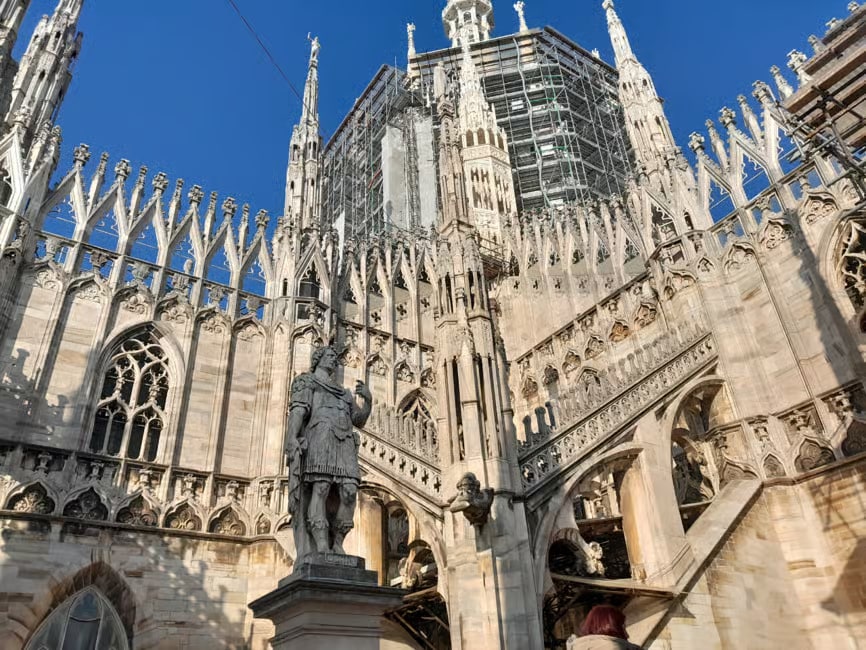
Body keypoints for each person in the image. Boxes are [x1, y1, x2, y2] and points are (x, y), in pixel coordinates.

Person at [566, 605, 641, 650]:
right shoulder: (612, 647)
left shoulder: (578, 646)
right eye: (622, 627)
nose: (627, 635)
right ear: (611, 626)